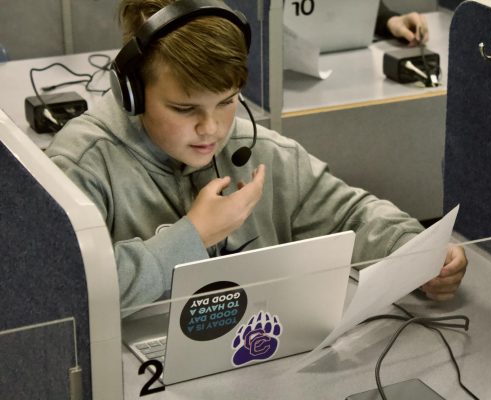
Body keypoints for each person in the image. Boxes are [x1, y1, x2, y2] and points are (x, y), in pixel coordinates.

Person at [46, 0, 467, 311]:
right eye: (184, 108)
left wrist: (414, 249)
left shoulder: (257, 149)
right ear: (133, 94)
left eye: (227, 102)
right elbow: (63, 290)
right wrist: (192, 236)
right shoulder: (83, 164)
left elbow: (349, 215)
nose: (211, 128)